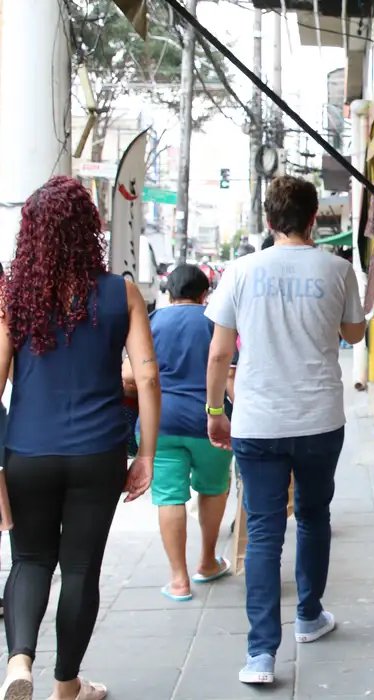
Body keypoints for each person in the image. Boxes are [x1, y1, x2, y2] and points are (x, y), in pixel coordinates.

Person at [0, 176, 160, 700]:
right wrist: (147, 454)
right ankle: (66, 687)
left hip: (27, 450)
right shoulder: (121, 293)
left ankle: (18, 660)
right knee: (81, 569)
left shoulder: (13, 297)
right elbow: (148, 376)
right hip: (98, 453)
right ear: (89, 228)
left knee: (29, 559)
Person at [203, 176, 366, 685]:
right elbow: (354, 333)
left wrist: (214, 410)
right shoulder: (337, 269)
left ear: (269, 220)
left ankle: (260, 655)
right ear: (314, 218)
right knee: (315, 516)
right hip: (319, 418)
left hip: (257, 420)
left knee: (265, 531)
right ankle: (309, 616)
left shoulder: (241, 271)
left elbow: (219, 352)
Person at [125, 264, 234, 602]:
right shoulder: (216, 321)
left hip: (161, 423)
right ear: (205, 292)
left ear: (169, 292)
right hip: (210, 421)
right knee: (214, 488)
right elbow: (229, 374)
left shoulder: (153, 321)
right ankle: (206, 562)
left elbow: (130, 376)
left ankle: (178, 580)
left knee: (169, 496)